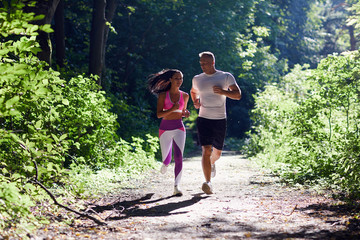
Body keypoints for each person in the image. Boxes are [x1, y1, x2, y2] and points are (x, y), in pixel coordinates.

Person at [190, 51, 241, 194]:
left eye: (205, 63)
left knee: (216, 154)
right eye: (201, 64)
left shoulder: (225, 77)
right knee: (206, 150)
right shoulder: (197, 79)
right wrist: (195, 101)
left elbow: (237, 95)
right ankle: (208, 183)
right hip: (203, 118)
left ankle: (212, 163)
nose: (203, 66)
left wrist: (223, 92)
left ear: (213, 63)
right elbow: (193, 91)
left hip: (219, 119)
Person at [148, 69, 190, 196]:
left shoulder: (185, 96)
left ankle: (177, 186)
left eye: (181, 78)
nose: (179, 81)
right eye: (176, 78)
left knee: (178, 157)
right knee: (166, 159)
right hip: (165, 129)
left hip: (179, 128)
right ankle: (165, 163)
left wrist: (185, 113)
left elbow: (183, 112)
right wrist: (172, 109)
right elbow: (159, 114)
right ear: (170, 80)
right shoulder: (163, 95)